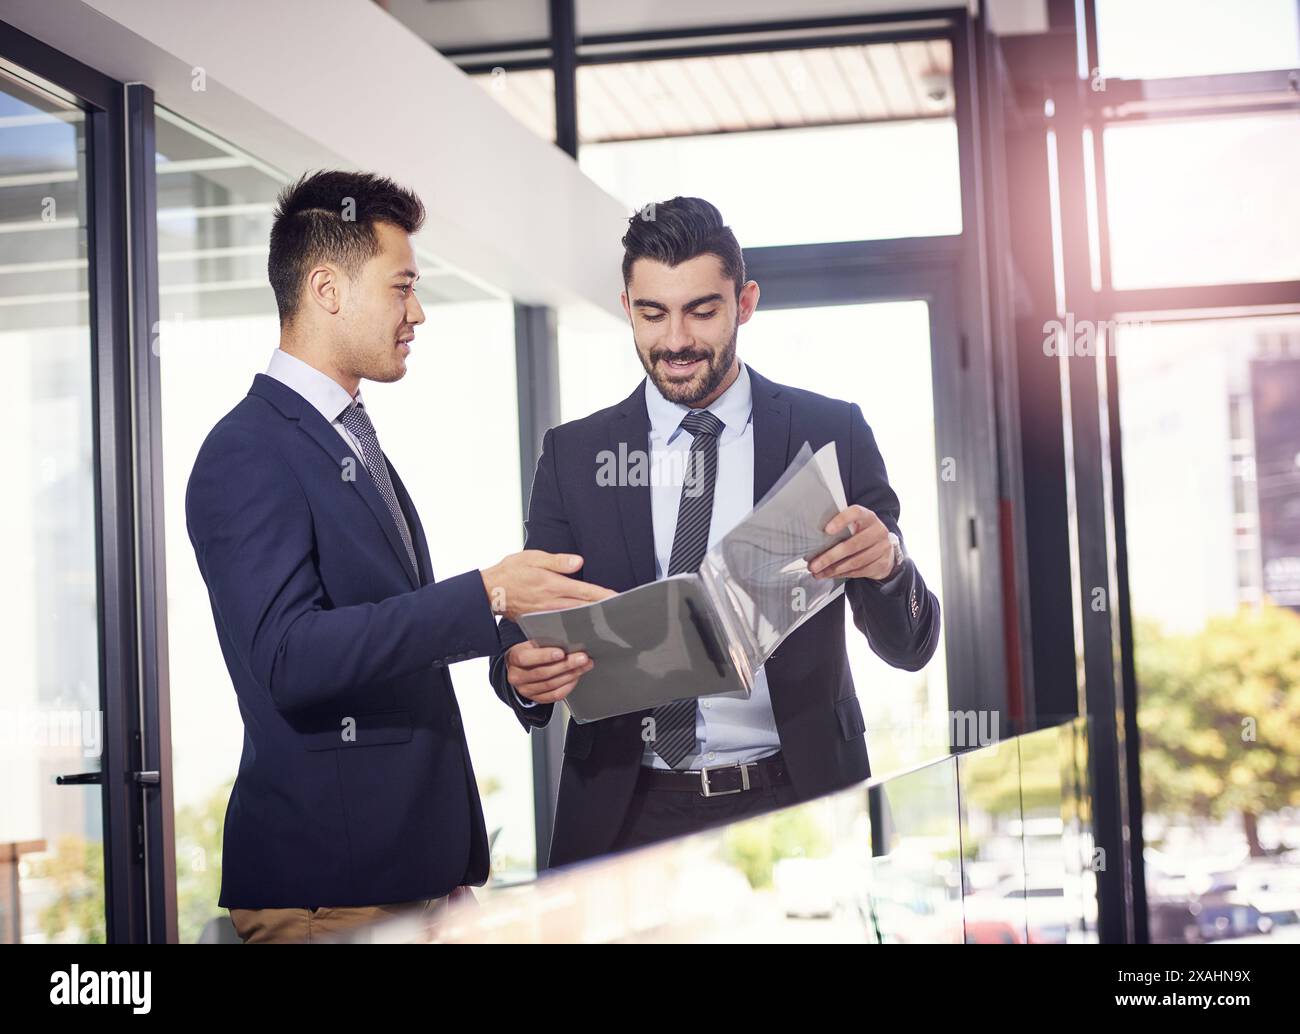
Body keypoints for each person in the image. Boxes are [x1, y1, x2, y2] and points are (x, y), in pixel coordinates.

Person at [185, 170, 612, 942]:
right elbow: (288, 658)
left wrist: (441, 875)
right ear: (327, 288)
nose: (417, 312)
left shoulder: (346, 438)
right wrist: (483, 596)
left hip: (409, 886)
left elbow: (387, 653)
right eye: (402, 287)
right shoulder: (246, 451)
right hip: (330, 897)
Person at [491, 196, 941, 867]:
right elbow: (527, 622)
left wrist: (889, 569)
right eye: (653, 313)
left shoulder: (832, 433)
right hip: (625, 812)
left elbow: (912, 643)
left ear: (746, 302)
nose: (675, 340)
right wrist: (518, 671)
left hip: (799, 806)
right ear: (627, 307)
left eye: (702, 310)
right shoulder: (574, 456)